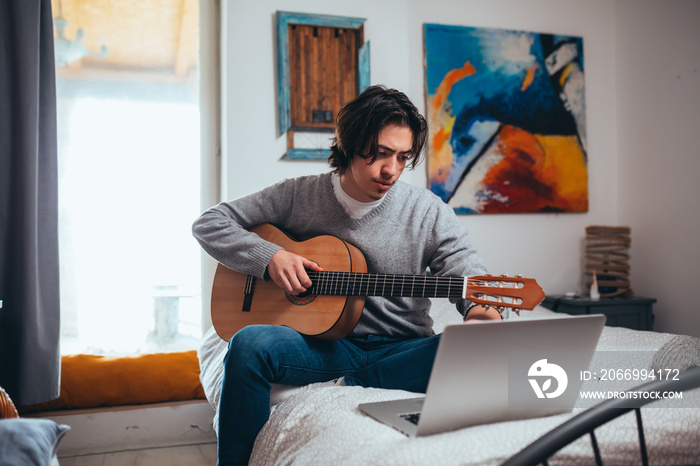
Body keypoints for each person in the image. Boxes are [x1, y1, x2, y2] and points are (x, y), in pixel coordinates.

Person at [192, 85, 505, 465]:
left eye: (403, 157)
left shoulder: (427, 211)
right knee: (248, 344)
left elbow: (471, 276)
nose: (391, 170)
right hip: (323, 346)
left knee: (481, 350)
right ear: (350, 143)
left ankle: (350, 385)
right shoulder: (298, 195)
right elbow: (210, 222)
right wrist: (271, 257)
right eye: (381, 153)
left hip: (401, 346)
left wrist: (481, 320)